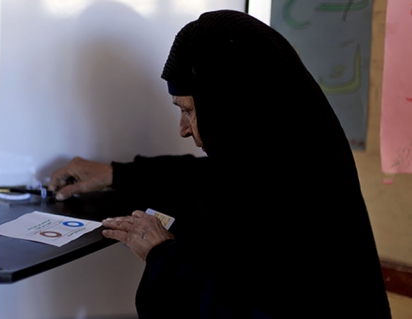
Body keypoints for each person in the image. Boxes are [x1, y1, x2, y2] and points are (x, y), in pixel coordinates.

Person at [48, 10, 391, 319]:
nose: (182, 129)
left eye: (189, 110)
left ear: (230, 104)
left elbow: (251, 311)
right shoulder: (288, 153)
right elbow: (203, 176)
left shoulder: (296, 195)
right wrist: (114, 173)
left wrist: (163, 256)